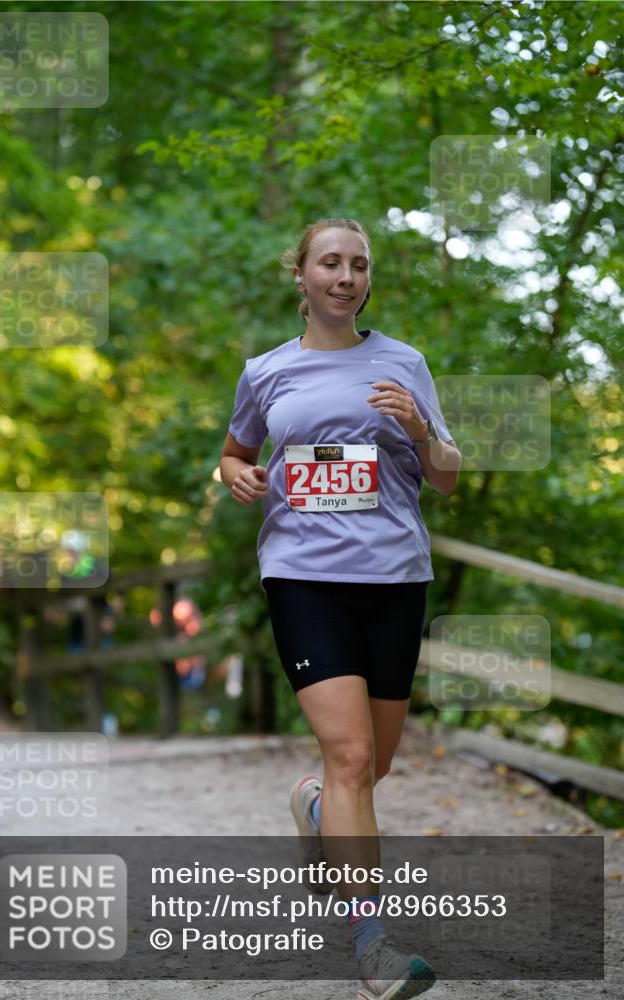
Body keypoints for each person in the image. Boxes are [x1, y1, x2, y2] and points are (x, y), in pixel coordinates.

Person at [220, 218, 461, 999]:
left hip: (393, 576)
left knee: (371, 765)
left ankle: (318, 805)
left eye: (358, 265)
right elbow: (235, 452)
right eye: (330, 262)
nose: (345, 276)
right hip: (301, 575)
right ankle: (372, 948)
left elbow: (447, 476)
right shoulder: (266, 372)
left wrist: (421, 430)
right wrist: (236, 477)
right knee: (352, 754)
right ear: (300, 274)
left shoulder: (403, 363)